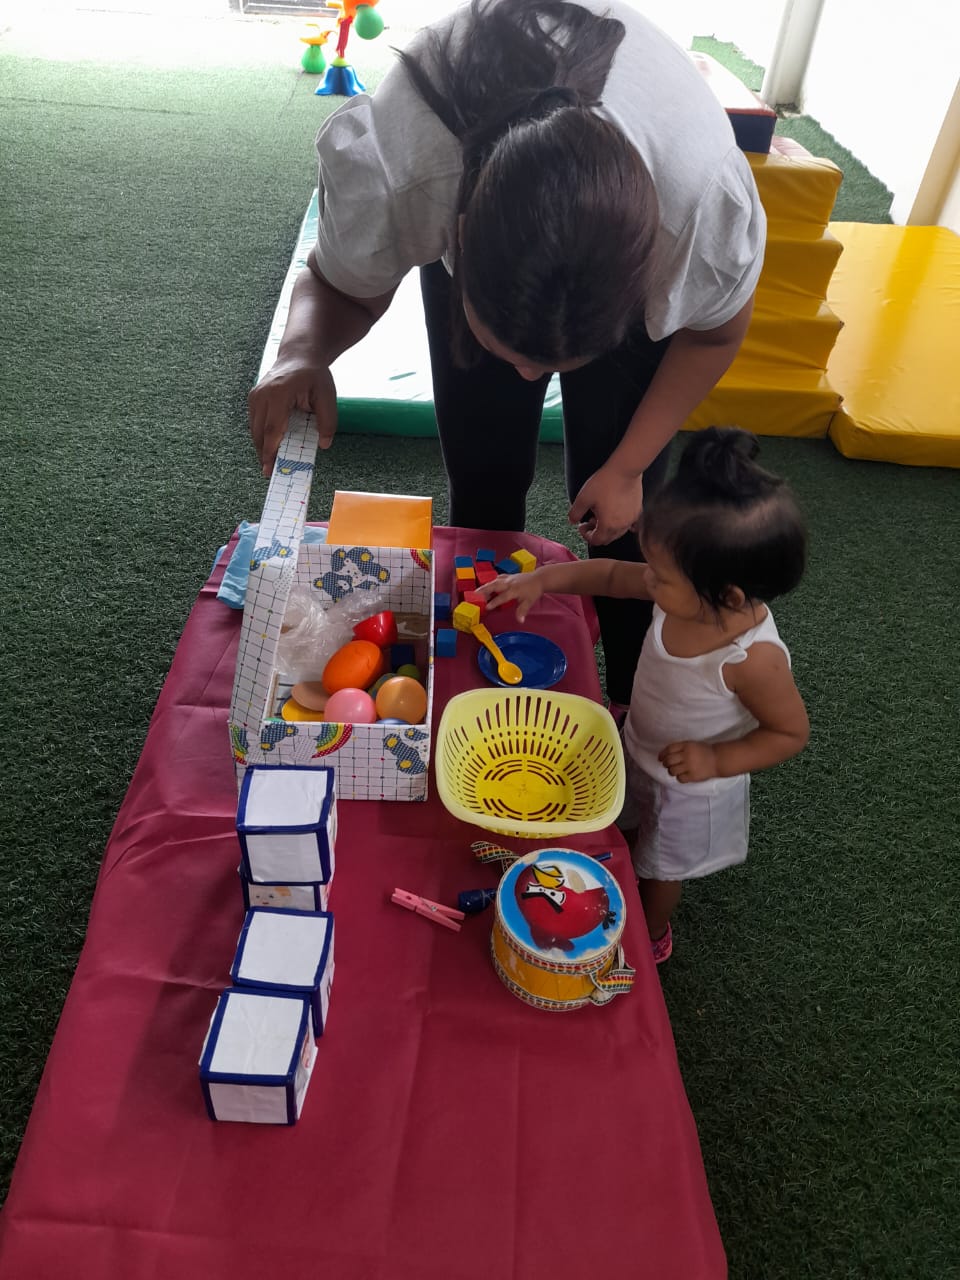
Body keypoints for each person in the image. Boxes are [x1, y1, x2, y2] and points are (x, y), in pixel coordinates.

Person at [248, 0, 766, 715]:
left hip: (640, 206)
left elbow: (712, 335)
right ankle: (473, 673)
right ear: (457, 237)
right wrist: (300, 355)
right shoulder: (411, 169)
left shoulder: (697, 212)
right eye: (512, 353)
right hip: (471, 180)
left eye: (557, 363)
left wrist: (626, 468)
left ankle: (633, 692)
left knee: (624, 507)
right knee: (484, 470)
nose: (532, 379)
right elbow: (339, 283)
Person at [477, 428, 810, 965]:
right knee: (629, 825)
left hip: (690, 787)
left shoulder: (752, 659)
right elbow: (612, 574)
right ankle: (627, 855)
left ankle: (650, 932)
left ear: (727, 596)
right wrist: (544, 580)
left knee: (661, 869)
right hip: (639, 743)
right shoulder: (686, 591)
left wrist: (715, 759)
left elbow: (790, 733)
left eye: (661, 577)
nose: (648, 580)